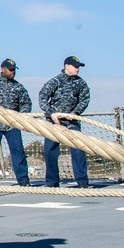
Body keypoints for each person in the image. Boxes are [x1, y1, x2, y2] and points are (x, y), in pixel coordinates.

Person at [39, 56, 91, 188]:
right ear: (67, 66)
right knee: (50, 152)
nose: (78, 69)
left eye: (79, 67)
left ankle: (82, 181)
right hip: (54, 123)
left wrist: (75, 113)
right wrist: (51, 114)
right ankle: (52, 182)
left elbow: (84, 99)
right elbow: (43, 97)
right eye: (75, 66)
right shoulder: (55, 81)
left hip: (72, 123)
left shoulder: (81, 83)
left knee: (78, 150)